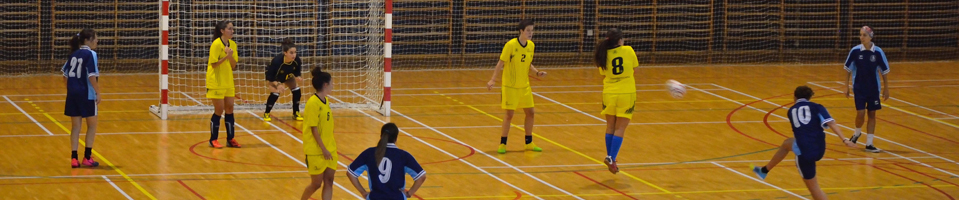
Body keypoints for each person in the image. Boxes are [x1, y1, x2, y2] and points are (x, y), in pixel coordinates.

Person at [752, 86, 857, 200]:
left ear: (794, 97)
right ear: (810, 97)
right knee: (787, 143)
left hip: (804, 151)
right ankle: (764, 170)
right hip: (819, 148)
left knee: (814, 188)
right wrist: (845, 140)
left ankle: (764, 171)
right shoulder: (817, 107)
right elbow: (831, 123)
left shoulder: (791, 111)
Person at [485, 19, 546, 154]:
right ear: (521, 31)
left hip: (524, 86)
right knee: (509, 115)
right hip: (510, 86)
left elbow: (527, 63)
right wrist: (492, 80)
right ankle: (503, 143)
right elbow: (500, 63)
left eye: (532, 30)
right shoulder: (511, 45)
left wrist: (537, 72)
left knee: (530, 113)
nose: (531, 33)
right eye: (528, 30)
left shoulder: (531, 46)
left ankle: (529, 142)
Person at [593, 28, 639, 174]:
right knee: (620, 128)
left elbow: (603, 73)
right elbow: (635, 69)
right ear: (620, 41)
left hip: (609, 93)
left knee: (610, 126)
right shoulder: (628, 50)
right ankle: (611, 157)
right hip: (626, 92)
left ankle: (611, 159)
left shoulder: (603, 54)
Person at [346, 123, 427, 200]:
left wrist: (363, 192)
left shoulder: (369, 153)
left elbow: (350, 173)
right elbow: (421, 176)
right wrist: (409, 193)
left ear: (381, 136)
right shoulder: (403, 155)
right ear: (396, 138)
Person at [843, 25, 890, 153]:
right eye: (860, 35)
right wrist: (846, 86)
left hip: (873, 89)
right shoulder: (855, 51)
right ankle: (857, 133)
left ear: (870, 37)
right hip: (859, 88)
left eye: (864, 35)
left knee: (872, 114)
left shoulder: (878, 52)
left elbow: (884, 71)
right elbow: (848, 69)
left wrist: (886, 88)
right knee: (861, 113)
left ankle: (869, 143)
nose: (861, 37)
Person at [62, 28, 101, 168]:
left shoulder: (73, 54)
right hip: (87, 94)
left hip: (72, 95)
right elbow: (91, 75)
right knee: (91, 125)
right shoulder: (91, 54)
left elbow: (65, 76)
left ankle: (74, 158)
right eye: (95, 38)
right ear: (88, 40)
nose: (97, 41)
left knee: (75, 127)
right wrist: (98, 92)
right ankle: (87, 157)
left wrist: (72, 89)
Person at [300, 67, 337, 200]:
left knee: (329, 181)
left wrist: (329, 147)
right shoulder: (313, 103)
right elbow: (313, 129)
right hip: (316, 151)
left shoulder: (326, 101)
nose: (333, 85)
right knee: (316, 184)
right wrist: (323, 149)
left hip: (330, 149)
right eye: (331, 83)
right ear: (325, 84)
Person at [206, 21, 240, 148]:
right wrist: (226, 56)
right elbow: (213, 64)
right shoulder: (216, 44)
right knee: (219, 110)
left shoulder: (233, 45)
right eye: (229, 29)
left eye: (233, 28)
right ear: (222, 30)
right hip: (216, 81)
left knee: (230, 108)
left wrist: (230, 56)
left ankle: (230, 138)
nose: (232, 31)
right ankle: (213, 139)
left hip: (228, 81)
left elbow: (233, 65)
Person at [262, 38, 304, 122]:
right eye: (291, 53)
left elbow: (296, 71)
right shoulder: (277, 61)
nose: (294, 55)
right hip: (274, 78)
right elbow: (270, 76)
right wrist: (278, 84)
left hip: (287, 76)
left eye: (295, 52)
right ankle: (267, 113)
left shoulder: (297, 60)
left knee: (297, 90)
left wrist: (297, 76)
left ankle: (296, 112)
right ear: (285, 53)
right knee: (276, 93)